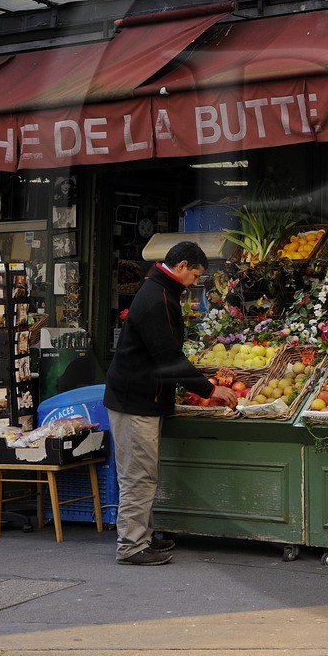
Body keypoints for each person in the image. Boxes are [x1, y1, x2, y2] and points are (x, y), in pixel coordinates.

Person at [103, 241, 236, 566]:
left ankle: (142, 537)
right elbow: (167, 357)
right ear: (182, 265)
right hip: (135, 401)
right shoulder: (157, 299)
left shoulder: (160, 291)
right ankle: (132, 546)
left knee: (141, 471)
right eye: (195, 274)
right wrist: (209, 389)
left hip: (139, 397)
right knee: (139, 474)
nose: (196, 281)